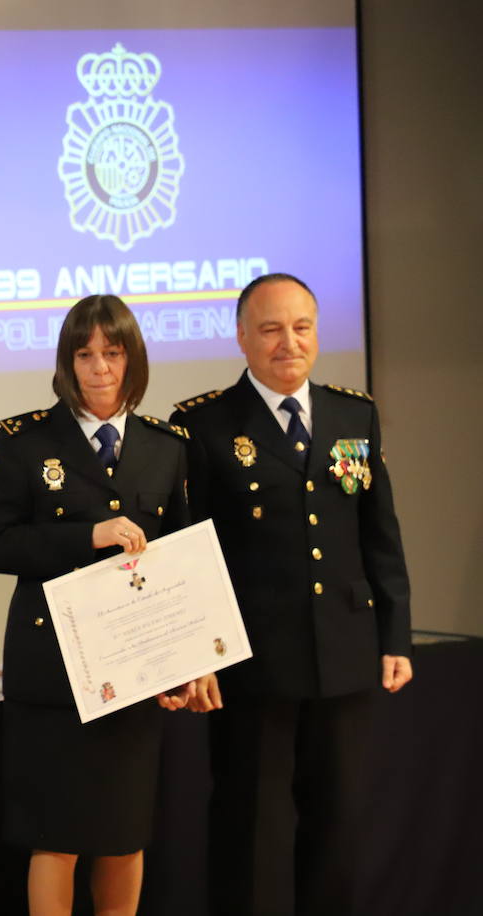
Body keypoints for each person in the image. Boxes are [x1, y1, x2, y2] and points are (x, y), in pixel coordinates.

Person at [171, 272, 411, 915]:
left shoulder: (354, 413)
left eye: (301, 327)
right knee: (250, 827)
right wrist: (198, 655)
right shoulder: (205, 424)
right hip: (253, 661)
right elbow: (189, 555)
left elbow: (378, 534)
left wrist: (394, 636)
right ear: (243, 337)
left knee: (338, 825)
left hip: (345, 651)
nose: (288, 343)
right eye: (271, 329)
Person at [0, 294, 193, 916]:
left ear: (133, 361)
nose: (99, 368)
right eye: (85, 354)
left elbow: (181, 562)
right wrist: (88, 535)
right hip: (54, 670)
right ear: (67, 363)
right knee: (58, 838)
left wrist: (185, 660)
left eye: (113, 353)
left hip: (134, 666)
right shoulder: (25, 441)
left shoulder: (166, 445)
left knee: (124, 837)